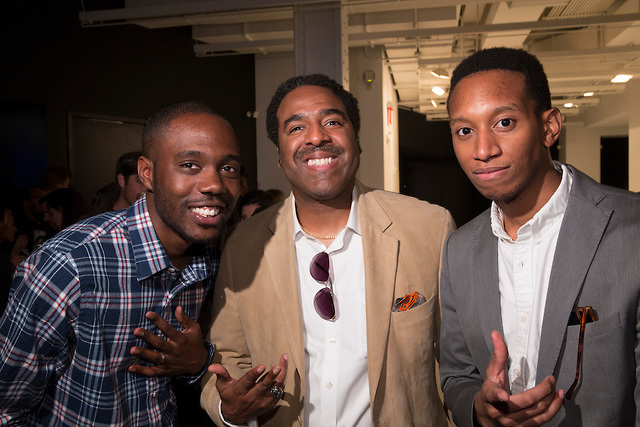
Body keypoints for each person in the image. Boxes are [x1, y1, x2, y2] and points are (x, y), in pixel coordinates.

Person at [200, 74, 455, 426]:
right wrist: (229, 409)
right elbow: (226, 358)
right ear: (279, 157)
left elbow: (457, 360)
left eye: (332, 122)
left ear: (357, 142)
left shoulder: (429, 227)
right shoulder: (243, 245)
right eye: (296, 128)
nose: (316, 137)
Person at [0, 100, 242, 425]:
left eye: (228, 169)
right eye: (189, 165)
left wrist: (197, 362)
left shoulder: (209, 254)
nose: (215, 184)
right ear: (147, 173)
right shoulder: (69, 265)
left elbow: (175, 375)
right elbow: (8, 409)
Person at [438, 47, 640, 427]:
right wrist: (479, 409)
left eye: (504, 122)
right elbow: (455, 376)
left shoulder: (632, 230)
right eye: (465, 131)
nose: (482, 150)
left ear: (549, 127)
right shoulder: (458, 249)